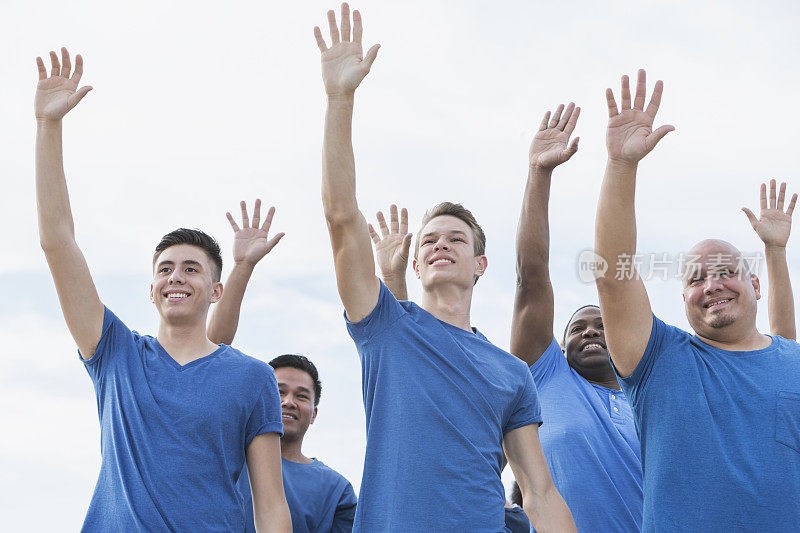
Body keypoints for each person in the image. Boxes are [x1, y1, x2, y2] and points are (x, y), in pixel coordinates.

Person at [314, 4, 576, 531]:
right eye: (429, 239)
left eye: (456, 239)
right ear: (414, 262)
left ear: (479, 264)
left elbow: (541, 492)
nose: (440, 245)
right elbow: (342, 219)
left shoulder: (512, 373)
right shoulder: (386, 327)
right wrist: (339, 100)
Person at [34, 48, 290, 531]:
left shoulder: (253, 378)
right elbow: (57, 242)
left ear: (215, 290)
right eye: (166, 269)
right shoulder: (114, 353)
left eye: (191, 269)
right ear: (151, 289)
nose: (176, 276)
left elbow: (271, 505)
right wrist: (48, 128)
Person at [595, 69, 800, 531]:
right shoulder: (657, 360)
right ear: (683, 296)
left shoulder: (793, 359)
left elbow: (782, 340)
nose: (712, 285)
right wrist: (621, 167)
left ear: (756, 286)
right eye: (696, 278)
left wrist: (776, 251)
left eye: (727, 272)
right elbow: (611, 274)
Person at [207, 207, 358, 533]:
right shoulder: (229, 460)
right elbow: (210, 354)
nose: (288, 401)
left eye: (301, 396)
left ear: (314, 413)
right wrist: (243, 266)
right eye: (278, 391)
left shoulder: (335, 491)